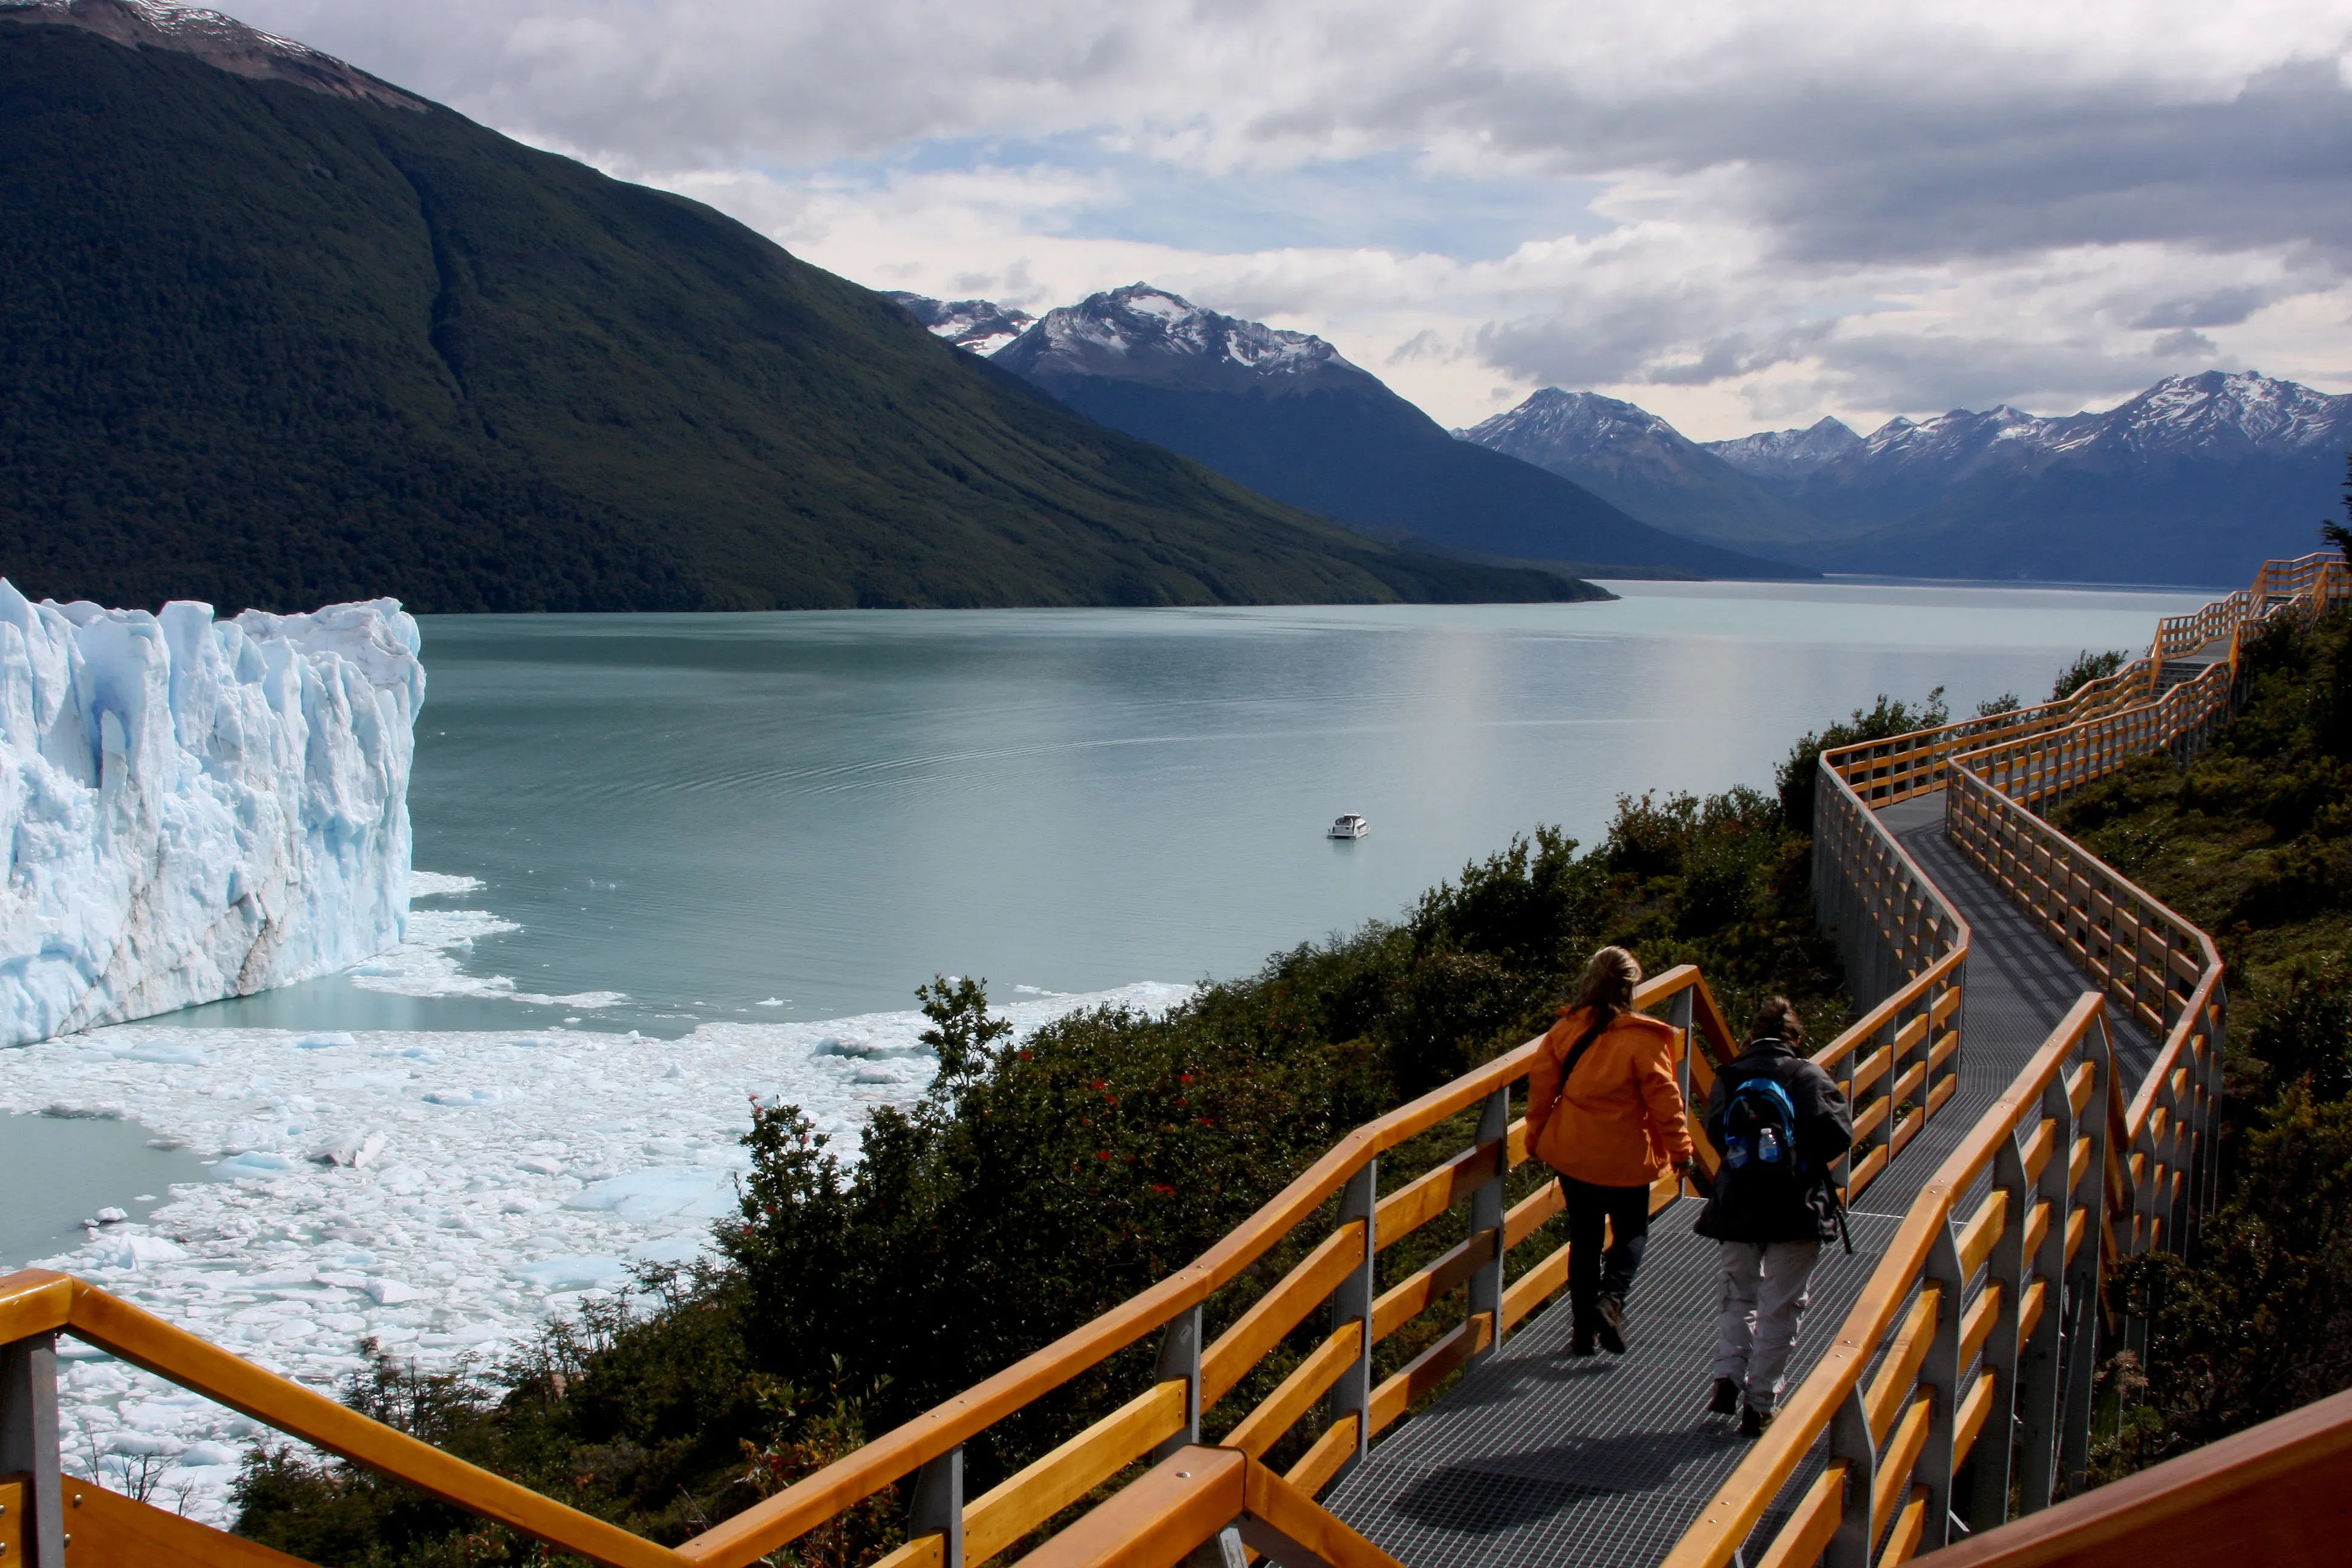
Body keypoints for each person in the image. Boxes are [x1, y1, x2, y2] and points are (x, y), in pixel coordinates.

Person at [1524, 946, 1695, 1356]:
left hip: (1575, 1152)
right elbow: (1666, 1103)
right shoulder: (1645, 1039)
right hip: (1627, 1158)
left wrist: (1535, 1139)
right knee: (1632, 1231)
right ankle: (1612, 1301)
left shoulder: (1565, 1031)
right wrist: (1681, 1151)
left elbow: (1542, 1092)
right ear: (1631, 987)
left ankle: (1582, 1333)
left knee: (1584, 1240)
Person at [1696, 996, 1854, 1437]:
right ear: (1796, 1039)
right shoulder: (1808, 1075)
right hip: (1794, 1208)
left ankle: (1727, 1375)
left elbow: (1714, 1131)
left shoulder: (1731, 1076)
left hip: (1738, 1205)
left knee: (1737, 1294)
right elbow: (1840, 1133)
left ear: (1750, 1036)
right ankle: (1759, 1403)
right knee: (1781, 1306)